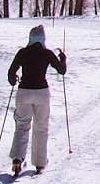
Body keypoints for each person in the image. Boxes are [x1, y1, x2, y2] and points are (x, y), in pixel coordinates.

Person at [7, 23, 67, 175]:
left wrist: (14, 79)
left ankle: (17, 159)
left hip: (24, 92)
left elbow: (11, 74)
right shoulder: (47, 54)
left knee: (22, 126)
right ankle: (40, 163)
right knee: (41, 128)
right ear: (42, 39)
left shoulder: (22, 52)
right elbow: (61, 70)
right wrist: (63, 58)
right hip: (41, 93)